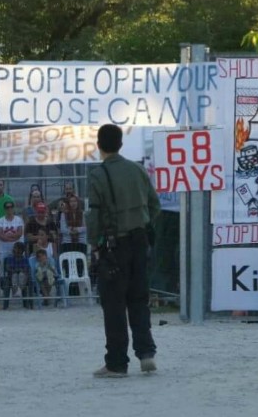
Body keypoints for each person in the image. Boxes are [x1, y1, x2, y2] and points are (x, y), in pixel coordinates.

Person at [86, 124, 160, 378]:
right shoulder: (137, 170)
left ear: (99, 145)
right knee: (139, 298)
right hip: (140, 240)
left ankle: (117, 362)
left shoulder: (98, 175)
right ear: (120, 143)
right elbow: (154, 205)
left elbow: (94, 215)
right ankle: (146, 353)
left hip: (113, 245)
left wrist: (94, 243)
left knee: (114, 304)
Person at [2, 241, 30, 309]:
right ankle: (16, 291)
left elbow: (26, 269)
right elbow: (8, 268)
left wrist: (18, 270)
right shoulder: (9, 258)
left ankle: (18, 290)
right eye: (14, 248)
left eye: (16, 248)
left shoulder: (25, 259)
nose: (14, 250)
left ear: (21, 251)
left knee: (21, 275)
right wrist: (17, 270)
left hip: (22, 277)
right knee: (14, 275)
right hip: (11, 276)